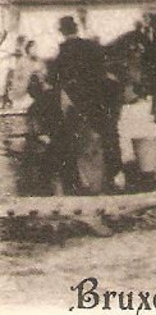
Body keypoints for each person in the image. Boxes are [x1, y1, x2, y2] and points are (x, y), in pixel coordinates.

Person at [48, 15, 123, 192]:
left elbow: (55, 80)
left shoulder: (63, 52)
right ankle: (114, 174)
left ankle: (77, 181)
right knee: (107, 134)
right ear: (76, 29)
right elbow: (104, 67)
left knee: (73, 140)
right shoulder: (90, 46)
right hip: (99, 98)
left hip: (76, 102)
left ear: (62, 31)